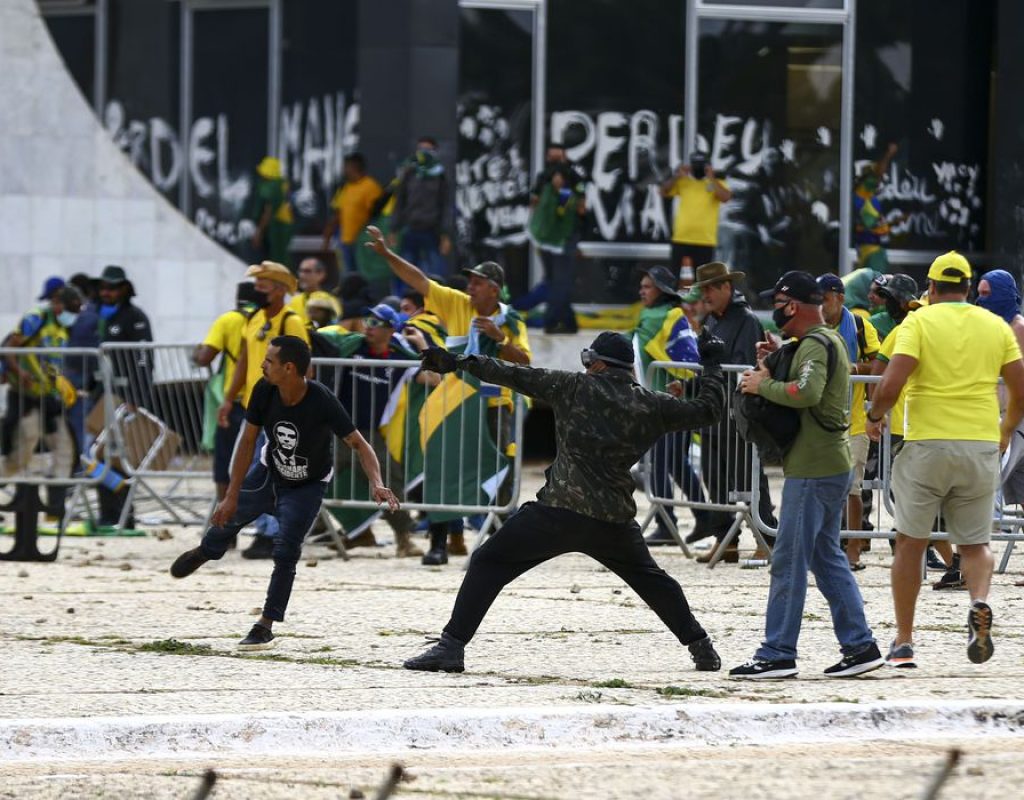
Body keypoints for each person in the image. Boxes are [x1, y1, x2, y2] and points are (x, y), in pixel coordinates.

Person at [402, 329, 728, 673]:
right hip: (613, 520)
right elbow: (708, 411)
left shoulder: (574, 386)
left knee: (487, 562)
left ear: (597, 364)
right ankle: (701, 646)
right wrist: (712, 364)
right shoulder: (651, 403)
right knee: (654, 581)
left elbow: (514, 374)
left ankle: (451, 647)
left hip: (559, 512)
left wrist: (458, 362)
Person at [170, 336, 399, 650]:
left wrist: (376, 481)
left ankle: (265, 624)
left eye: (268, 361)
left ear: (289, 368)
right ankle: (206, 551)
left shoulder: (321, 400)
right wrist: (231, 494)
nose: (262, 365)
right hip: (267, 474)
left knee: (286, 550)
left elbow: (359, 443)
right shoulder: (264, 390)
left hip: (306, 486)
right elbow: (247, 442)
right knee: (224, 522)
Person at [867, 252, 1024, 668]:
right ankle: (978, 602)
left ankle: (903, 641)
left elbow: (891, 382)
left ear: (932, 289)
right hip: (979, 443)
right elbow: (1020, 385)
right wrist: (1006, 429)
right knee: (975, 544)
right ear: (969, 288)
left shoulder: (918, 322)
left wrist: (875, 417)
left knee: (910, 543)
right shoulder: (995, 326)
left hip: (927, 445)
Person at [731, 271, 883, 679]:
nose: (774, 310)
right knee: (826, 557)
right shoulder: (819, 342)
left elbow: (808, 392)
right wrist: (776, 358)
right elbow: (804, 380)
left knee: (788, 559)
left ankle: (777, 652)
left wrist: (761, 386)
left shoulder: (816, 344)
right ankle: (860, 645)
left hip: (814, 470)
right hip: (825, 465)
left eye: (778, 303)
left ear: (792, 306)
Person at [367, 225, 531, 564]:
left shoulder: (511, 320)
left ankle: (499, 544)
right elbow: (419, 280)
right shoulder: (458, 304)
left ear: (494, 288)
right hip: (454, 402)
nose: (469, 288)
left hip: (494, 404)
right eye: (469, 282)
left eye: (476, 283)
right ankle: (439, 543)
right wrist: (386, 255)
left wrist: (501, 339)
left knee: (499, 470)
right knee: (443, 468)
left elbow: (526, 361)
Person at [218, 261, 309, 559]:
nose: (256, 290)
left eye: (262, 285)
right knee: (248, 471)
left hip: (281, 407)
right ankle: (258, 530)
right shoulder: (254, 317)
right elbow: (244, 360)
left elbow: (306, 365)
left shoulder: (291, 321)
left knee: (270, 473)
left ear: (280, 289)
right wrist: (229, 397)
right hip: (254, 406)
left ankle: (270, 534)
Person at [691, 261, 775, 560]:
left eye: (712, 288)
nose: (707, 294)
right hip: (713, 411)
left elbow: (742, 364)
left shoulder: (746, 320)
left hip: (736, 411)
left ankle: (766, 538)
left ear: (727, 287)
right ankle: (726, 540)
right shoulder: (711, 321)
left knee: (748, 477)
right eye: (703, 289)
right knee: (713, 477)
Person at [330, 303, 424, 558]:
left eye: (376, 323)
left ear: (390, 329)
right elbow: (323, 342)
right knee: (307, 476)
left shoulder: (400, 357)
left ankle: (403, 539)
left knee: (389, 481)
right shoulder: (353, 347)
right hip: (336, 428)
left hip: (368, 433)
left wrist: (422, 346)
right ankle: (277, 532)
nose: (368, 327)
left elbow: (433, 379)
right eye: (368, 320)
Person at [633, 266, 709, 545]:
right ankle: (703, 517)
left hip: (672, 404)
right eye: (641, 286)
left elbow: (688, 362)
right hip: (660, 404)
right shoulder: (656, 316)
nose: (642, 290)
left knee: (659, 463)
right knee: (673, 463)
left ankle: (668, 524)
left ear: (662, 290)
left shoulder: (670, 316)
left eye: (648, 286)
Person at [1, 286, 83, 518]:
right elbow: (9, 347)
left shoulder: (62, 330)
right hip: (25, 397)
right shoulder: (35, 318)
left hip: (48, 399)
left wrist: (60, 381)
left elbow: (50, 362)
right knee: (20, 456)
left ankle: (55, 510)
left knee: (66, 450)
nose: (72, 315)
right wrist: (20, 372)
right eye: (70, 309)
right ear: (57, 303)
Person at [817, 274, 879, 570]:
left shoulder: (858, 324)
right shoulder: (811, 325)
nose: (820, 304)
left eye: (824, 298)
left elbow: (879, 364)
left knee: (852, 487)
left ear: (839, 297)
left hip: (853, 418)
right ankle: (827, 544)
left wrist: (853, 368)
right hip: (819, 419)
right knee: (820, 485)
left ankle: (854, 544)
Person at [96, 264, 154, 528]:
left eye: (112, 288)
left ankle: (124, 515)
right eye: (103, 287)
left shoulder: (135, 317)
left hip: (124, 398)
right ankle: (107, 512)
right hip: (100, 396)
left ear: (123, 289)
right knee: (97, 456)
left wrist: (137, 398)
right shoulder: (97, 315)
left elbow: (144, 359)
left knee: (121, 457)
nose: (106, 292)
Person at [193, 282, 261, 502]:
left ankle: (225, 518)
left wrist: (196, 352)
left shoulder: (228, 320)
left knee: (226, 461)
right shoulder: (267, 320)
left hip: (237, 400)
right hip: (265, 400)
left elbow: (204, 357)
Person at [528, 143, 586, 333]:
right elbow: (535, 204)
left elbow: (580, 208)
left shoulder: (572, 183)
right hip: (548, 237)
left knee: (560, 280)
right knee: (555, 280)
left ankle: (552, 320)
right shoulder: (543, 180)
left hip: (565, 238)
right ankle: (568, 322)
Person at [660, 151, 732, 285]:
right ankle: (672, 304)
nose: (698, 169)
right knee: (672, 279)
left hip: (705, 240)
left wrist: (711, 177)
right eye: (696, 166)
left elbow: (725, 197)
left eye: (701, 165)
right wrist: (676, 176)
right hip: (681, 237)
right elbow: (663, 192)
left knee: (702, 282)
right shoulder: (683, 181)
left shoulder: (717, 182)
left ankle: (700, 306)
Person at [389, 137, 452, 277]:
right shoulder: (409, 172)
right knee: (406, 272)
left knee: (435, 273)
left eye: (428, 150)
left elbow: (446, 206)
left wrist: (445, 235)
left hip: (432, 230)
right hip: (410, 229)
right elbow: (400, 202)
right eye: (421, 149)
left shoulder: (440, 176)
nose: (423, 153)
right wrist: (393, 229)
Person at [323, 153, 384, 275]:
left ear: (354, 167)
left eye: (346, 167)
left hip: (362, 240)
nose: (343, 170)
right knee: (347, 274)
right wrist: (327, 235)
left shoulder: (370, 186)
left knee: (363, 274)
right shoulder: (346, 187)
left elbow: (377, 215)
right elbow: (337, 213)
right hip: (345, 239)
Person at [853, 143, 898, 271]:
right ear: (863, 179)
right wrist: (888, 155)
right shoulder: (857, 198)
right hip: (865, 250)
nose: (877, 180)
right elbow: (868, 224)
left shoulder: (872, 198)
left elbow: (879, 225)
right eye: (872, 177)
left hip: (875, 247)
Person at [249, 156, 294, 266]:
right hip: (284, 224)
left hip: (276, 227)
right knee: (281, 258)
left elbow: (268, 211)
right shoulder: (282, 183)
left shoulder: (272, 186)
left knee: (275, 261)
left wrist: (259, 232)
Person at [288, 258, 341, 323]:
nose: (302, 275)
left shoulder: (330, 301)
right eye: (300, 271)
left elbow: (335, 325)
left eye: (307, 271)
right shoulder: (293, 300)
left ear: (321, 274)